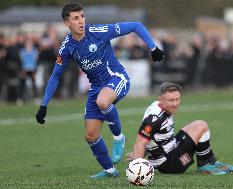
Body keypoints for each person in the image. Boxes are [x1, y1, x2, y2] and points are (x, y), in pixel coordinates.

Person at [35, 2, 164, 179]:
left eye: (82, 16)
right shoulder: (66, 47)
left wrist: (153, 48)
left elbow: (136, 25)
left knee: (102, 101)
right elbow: (55, 76)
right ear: (67, 23)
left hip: (117, 78)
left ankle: (119, 137)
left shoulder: (98, 32)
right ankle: (110, 171)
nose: (81, 21)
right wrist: (44, 104)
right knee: (90, 135)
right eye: (76, 18)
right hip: (96, 87)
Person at [127, 82, 233, 175]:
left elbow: (153, 137)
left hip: (170, 150)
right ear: (161, 99)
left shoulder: (159, 107)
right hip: (171, 164)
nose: (175, 104)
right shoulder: (154, 119)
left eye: (177, 99)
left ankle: (212, 162)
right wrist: (138, 169)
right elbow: (140, 143)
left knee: (196, 125)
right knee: (201, 125)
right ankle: (204, 166)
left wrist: (145, 152)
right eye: (171, 100)